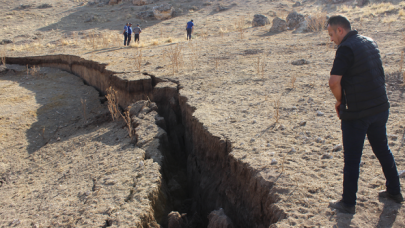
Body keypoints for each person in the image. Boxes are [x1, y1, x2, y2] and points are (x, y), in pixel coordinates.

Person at [327, 15, 402, 214]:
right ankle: (395, 191)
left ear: (340, 30)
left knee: (352, 158)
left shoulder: (345, 48)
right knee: (382, 149)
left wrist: (340, 100)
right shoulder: (370, 41)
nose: (331, 39)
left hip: (358, 113)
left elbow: (334, 82)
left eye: (331, 34)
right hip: (380, 107)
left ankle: (348, 204)